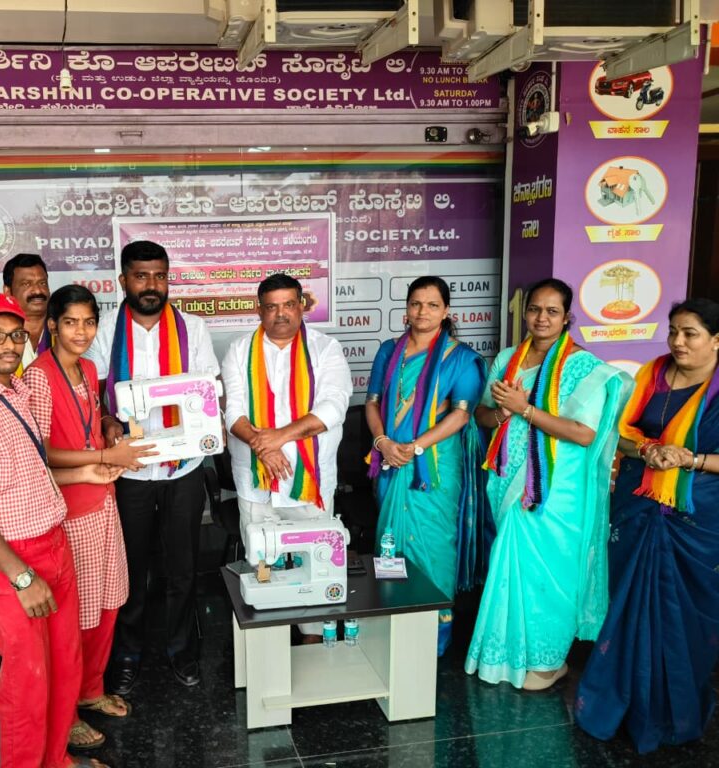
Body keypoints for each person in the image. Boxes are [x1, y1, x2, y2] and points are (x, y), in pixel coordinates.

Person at [0, 291, 118, 768]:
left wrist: (87, 471)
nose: (9, 345)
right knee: (28, 680)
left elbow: (34, 472)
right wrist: (21, 576)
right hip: (9, 558)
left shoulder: (18, 392)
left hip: (53, 541)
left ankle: (57, 760)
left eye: (15, 335)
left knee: (63, 666)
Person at [465, 278, 630, 690]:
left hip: (556, 489)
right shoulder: (508, 359)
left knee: (551, 570)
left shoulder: (584, 367)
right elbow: (482, 416)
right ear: (525, 313)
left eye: (552, 311)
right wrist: (503, 413)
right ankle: (507, 654)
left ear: (567, 318)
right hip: (507, 480)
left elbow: (584, 434)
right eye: (535, 309)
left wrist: (525, 410)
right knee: (512, 567)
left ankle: (548, 660)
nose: (542, 318)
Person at [576, 298, 719, 753]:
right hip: (637, 507)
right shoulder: (652, 375)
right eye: (674, 331)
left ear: (716, 340)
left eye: (690, 333)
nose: (678, 341)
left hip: (696, 519)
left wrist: (689, 459)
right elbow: (619, 433)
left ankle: (674, 713)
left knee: (685, 615)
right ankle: (619, 703)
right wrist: (647, 451)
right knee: (627, 602)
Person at [24, 285, 153, 750]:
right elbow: (39, 452)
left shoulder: (90, 369)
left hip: (101, 500)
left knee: (107, 602)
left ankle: (91, 689)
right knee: (72, 617)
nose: (81, 332)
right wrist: (102, 455)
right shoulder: (38, 377)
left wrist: (110, 431)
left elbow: (89, 427)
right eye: (71, 322)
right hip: (67, 511)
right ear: (52, 325)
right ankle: (68, 712)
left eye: (89, 322)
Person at [89, 239, 219, 694]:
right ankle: (127, 653)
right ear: (123, 280)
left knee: (183, 566)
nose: (151, 285)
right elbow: (92, 391)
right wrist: (107, 420)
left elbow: (208, 389)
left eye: (159, 276)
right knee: (130, 567)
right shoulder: (104, 329)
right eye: (141, 276)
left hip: (183, 468)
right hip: (130, 471)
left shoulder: (193, 329)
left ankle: (181, 649)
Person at [221, 273, 352, 641]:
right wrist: (261, 445)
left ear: (302, 306)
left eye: (289, 305)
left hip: (309, 481)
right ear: (258, 309)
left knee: (318, 565)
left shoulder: (326, 349)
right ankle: (269, 641)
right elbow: (234, 412)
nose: (281, 314)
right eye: (271, 307)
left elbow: (333, 407)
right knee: (262, 565)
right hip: (256, 483)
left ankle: (314, 639)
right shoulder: (239, 350)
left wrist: (276, 438)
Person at [364, 276, 489, 656]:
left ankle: (432, 638)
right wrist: (383, 442)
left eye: (433, 305)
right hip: (390, 461)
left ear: (447, 311)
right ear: (406, 308)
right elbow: (372, 403)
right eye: (416, 303)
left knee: (434, 545)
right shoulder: (389, 351)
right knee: (391, 542)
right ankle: (392, 625)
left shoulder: (461, 359)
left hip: (433, 468)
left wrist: (414, 447)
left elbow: (461, 415)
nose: (423, 311)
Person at [2, 252, 53, 371]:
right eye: (26, 284)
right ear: (8, 291)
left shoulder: (62, 330)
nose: (37, 290)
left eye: (42, 283)